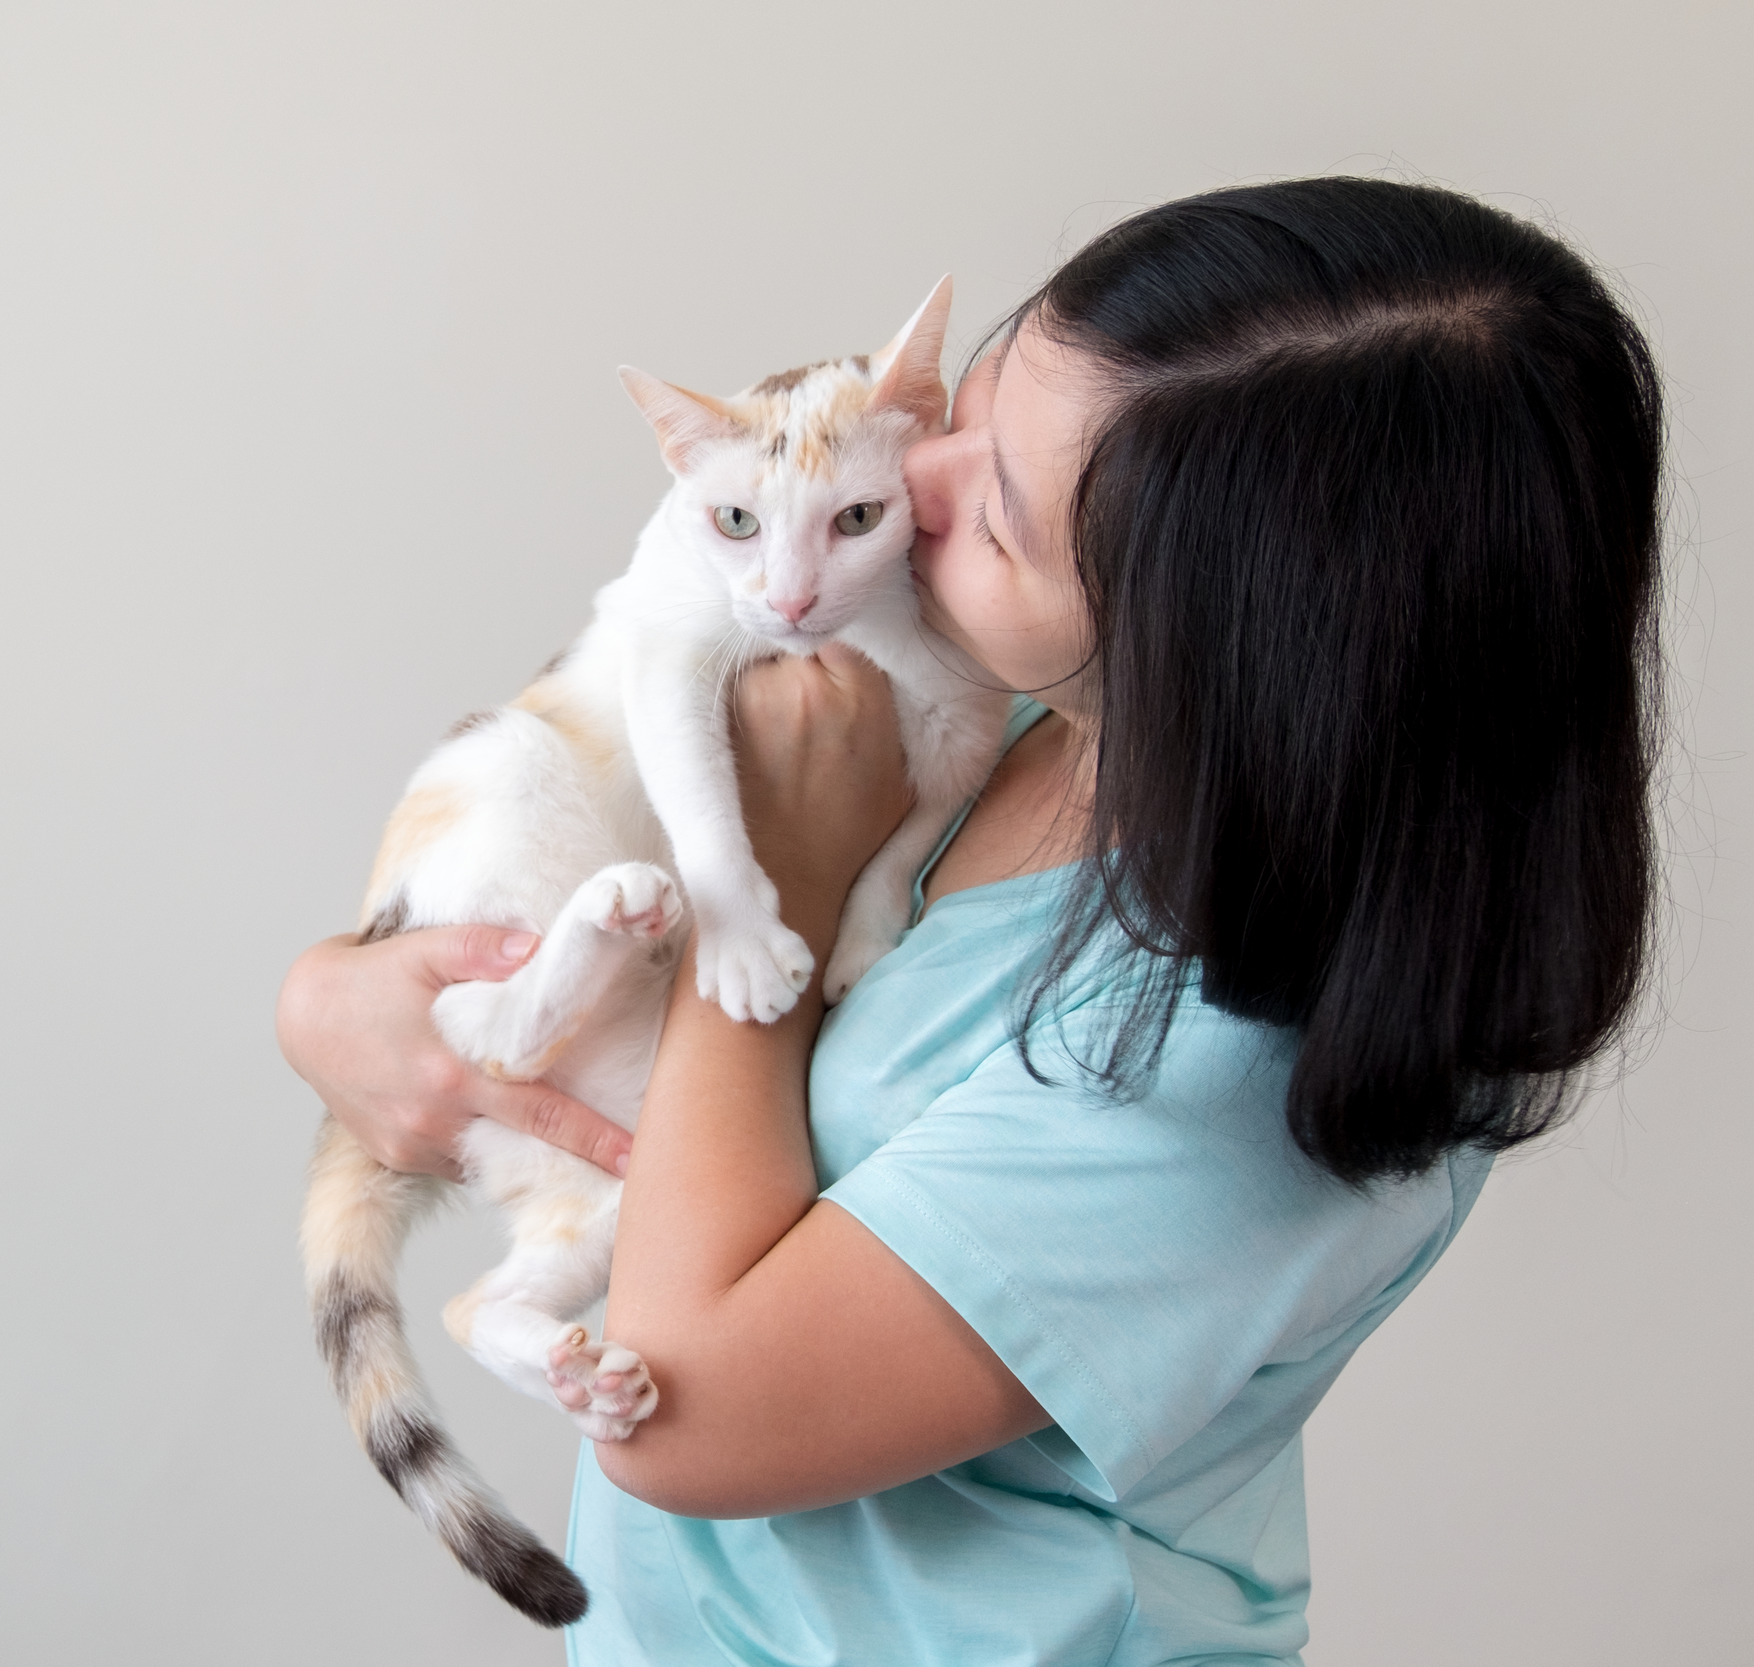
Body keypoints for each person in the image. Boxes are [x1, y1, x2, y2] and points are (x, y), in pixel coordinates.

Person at [276, 177, 1664, 1665]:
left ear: (1216, 658)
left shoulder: (1228, 1065)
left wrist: (787, 887)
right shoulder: (1023, 721)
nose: (920, 479)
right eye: (971, 408)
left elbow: (677, 1411)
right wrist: (327, 1000)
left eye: (997, 515)